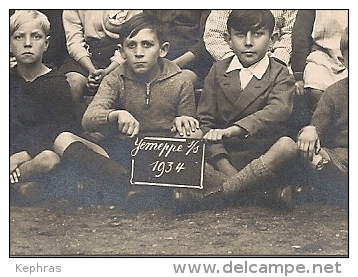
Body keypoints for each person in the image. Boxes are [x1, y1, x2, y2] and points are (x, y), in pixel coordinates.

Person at [53, 13, 201, 204]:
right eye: (132, 45)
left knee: (194, 135)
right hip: (122, 153)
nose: (139, 53)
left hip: (161, 155)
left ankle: (128, 187)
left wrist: (182, 120)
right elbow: (88, 119)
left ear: (163, 50)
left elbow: (190, 127)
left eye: (147, 45)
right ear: (122, 52)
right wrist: (115, 115)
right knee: (62, 140)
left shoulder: (180, 80)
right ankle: (130, 184)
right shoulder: (115, 78)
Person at [174, 10, 296, 209]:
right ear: (228, 39)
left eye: (257, 34)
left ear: (273, 39)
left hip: (261, 154)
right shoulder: (219, 70)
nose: (248, 42)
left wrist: (234, 129)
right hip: (224, 154)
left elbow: (278, 110)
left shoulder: (280, 73)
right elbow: (205, 119)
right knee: (189, 135)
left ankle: (214, 194)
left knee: (287, 146)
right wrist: (223, 163)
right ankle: (256, 193)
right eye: (240, 35)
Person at [9, 10, 77, 187]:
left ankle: (17, 183)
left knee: (49, 160)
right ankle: (20, 186)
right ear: (9, 44)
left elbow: (62, 129)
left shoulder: (56, 83)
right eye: (19, 37)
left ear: (46, 44)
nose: (28, 43)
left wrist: (23, 155)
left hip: (36, 152)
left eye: (36, 37)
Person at [60, 10, 142, 125]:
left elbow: (131, 39)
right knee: (73, 83)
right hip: (85, 56)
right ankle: (84, 128)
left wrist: (108, 71)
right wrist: (91, 70)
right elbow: (74, 42)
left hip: (121, 54)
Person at [291, 10, 348, 117]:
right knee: (316, 89)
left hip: (348, 57)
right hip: (322, 55)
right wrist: (298, 74)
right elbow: (301, 36)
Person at [143, 10, 213, 88]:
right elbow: (146, 26)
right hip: (157, 56)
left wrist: (175, 64)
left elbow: (207, 41)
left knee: (173, 84)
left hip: (191, 62)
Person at [203, 10, 297, 67]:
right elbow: (214, 34)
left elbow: (290, 33)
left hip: (273, 60)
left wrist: (277, 60)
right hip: (234, 60)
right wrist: (233, 60)